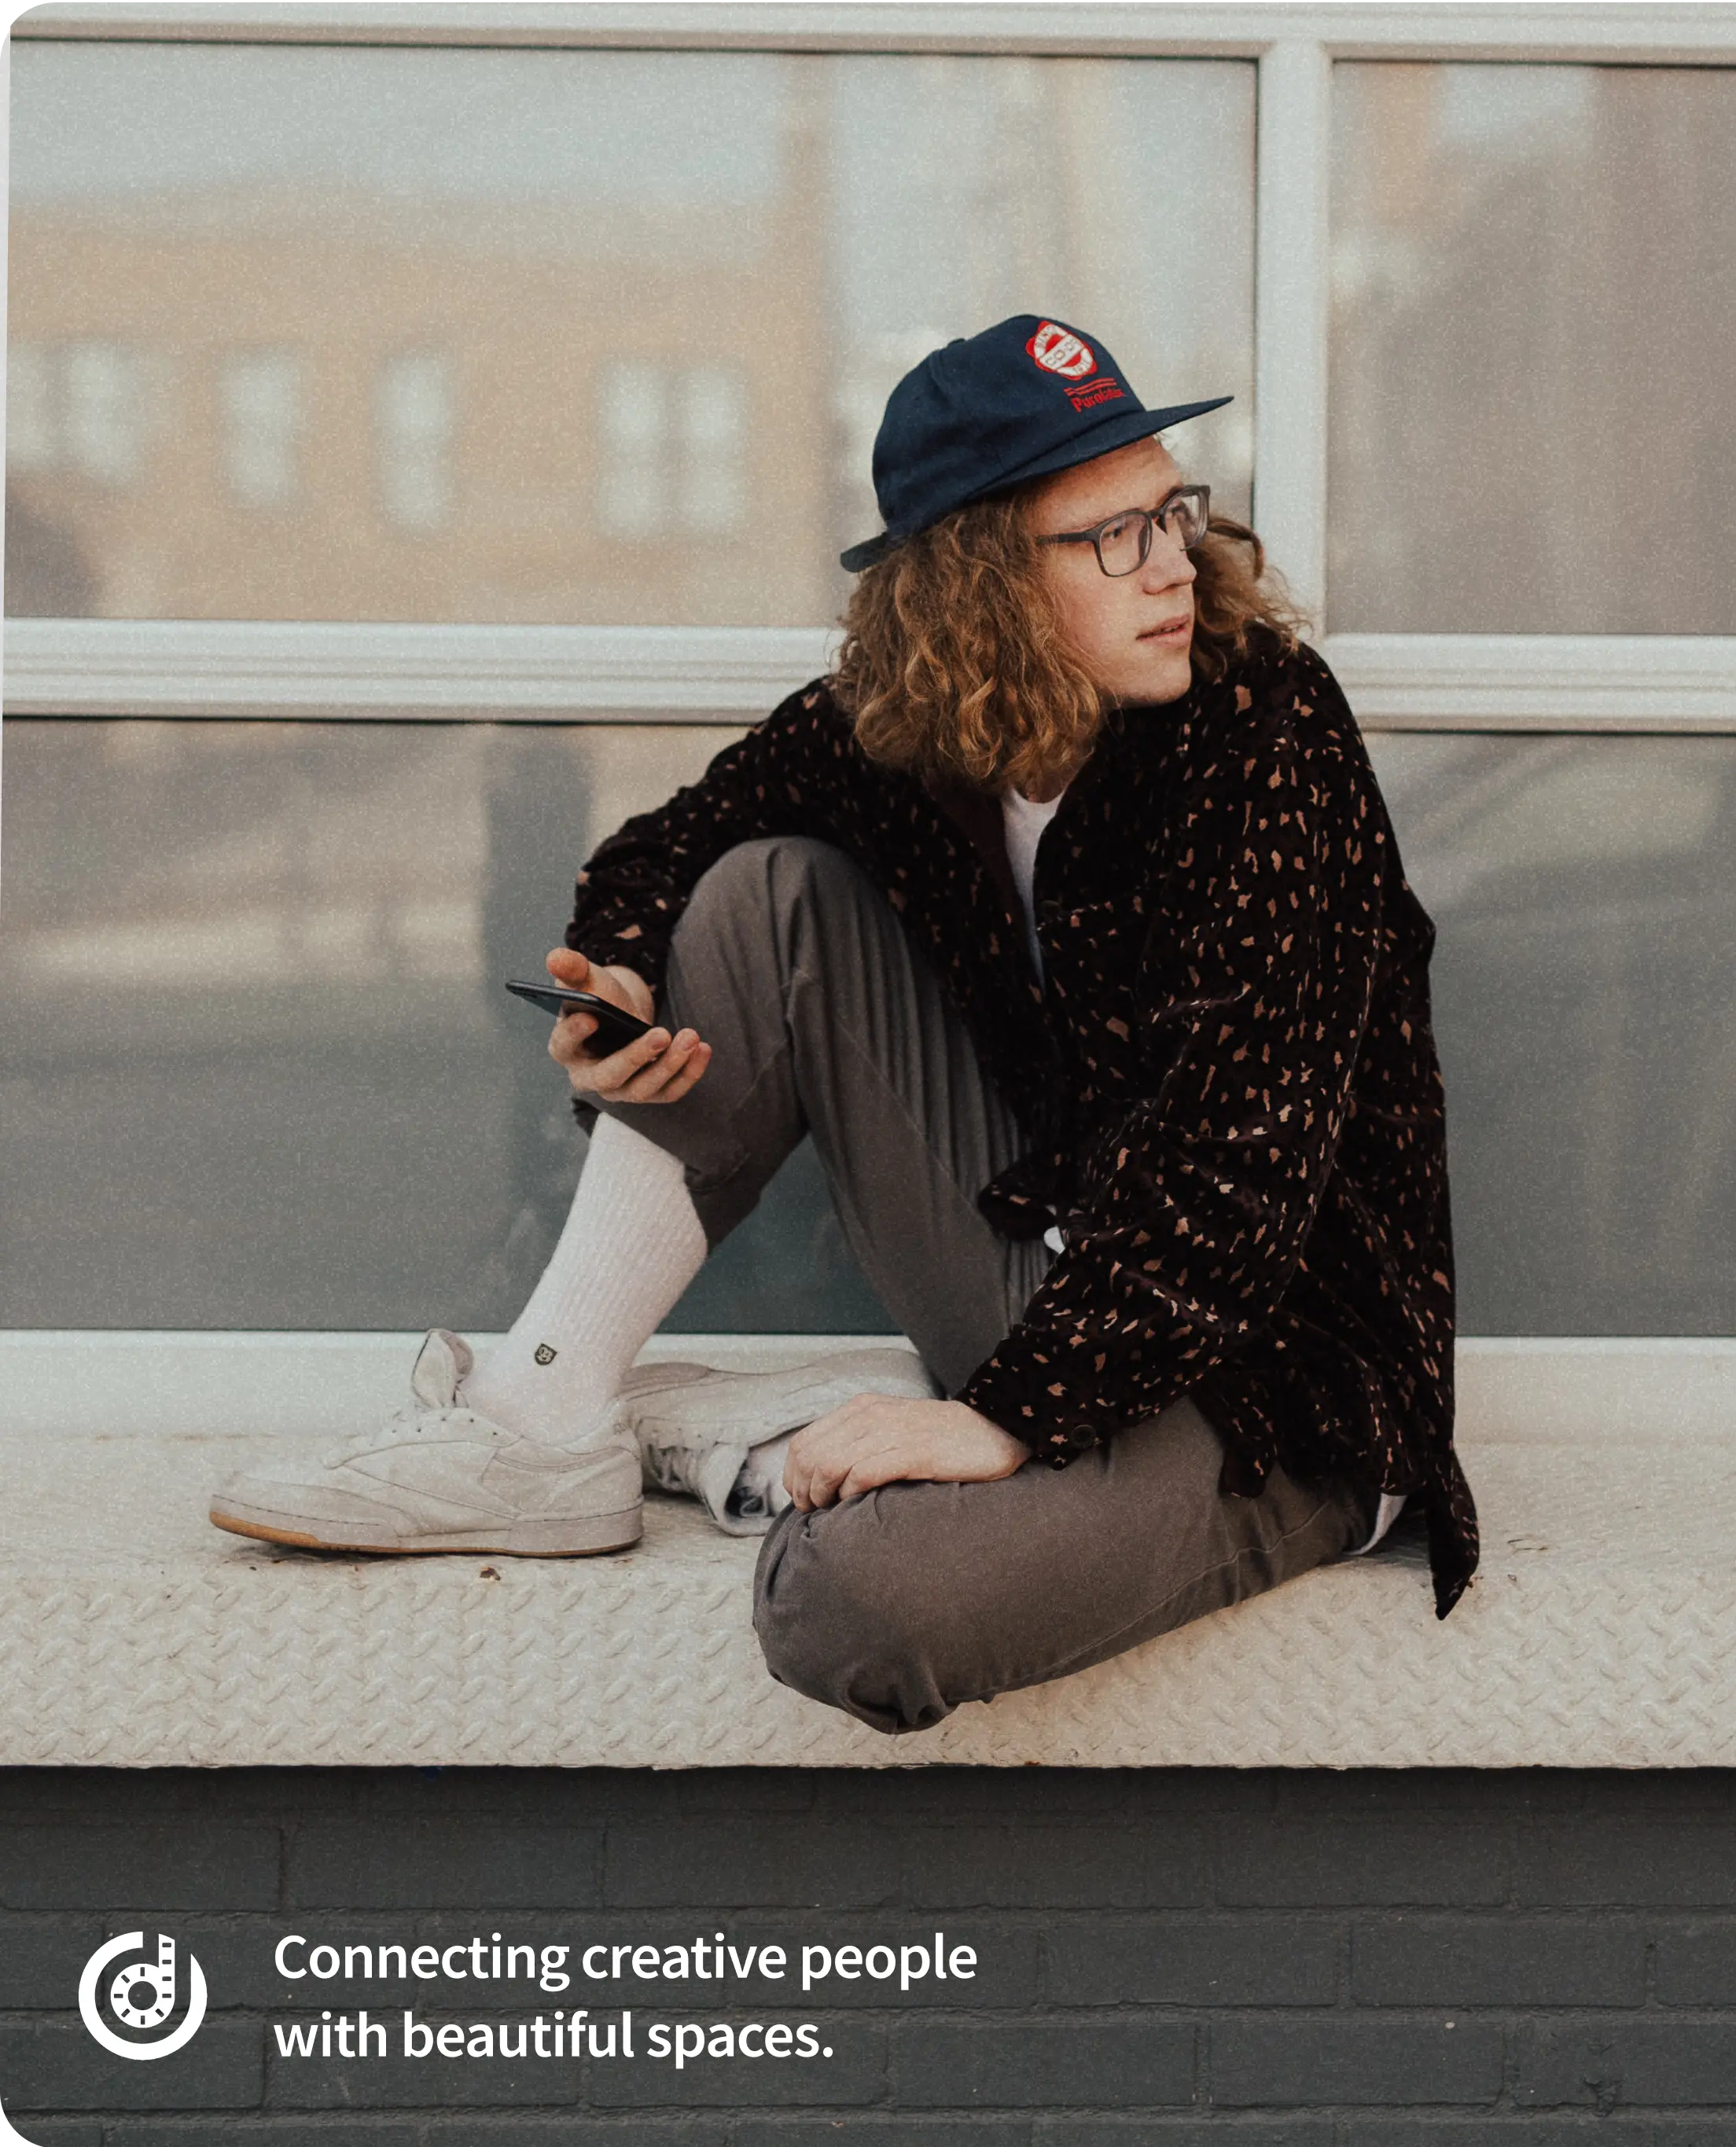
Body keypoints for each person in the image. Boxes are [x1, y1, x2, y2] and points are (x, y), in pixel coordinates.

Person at [210, 315, 1478, 1733]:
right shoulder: (910, 723)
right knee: (766, 896)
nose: (1174, 564)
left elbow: (1239, 1168)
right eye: (1110, 536)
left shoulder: (1263, 730)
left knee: (853, 1601)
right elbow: (672, 845)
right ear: (979, 581)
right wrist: (622, 984)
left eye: (1170, 510)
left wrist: (1003, 1416)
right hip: (1050, 1274)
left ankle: (768, 1445)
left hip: (1271, 1388)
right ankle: (540, 1424)